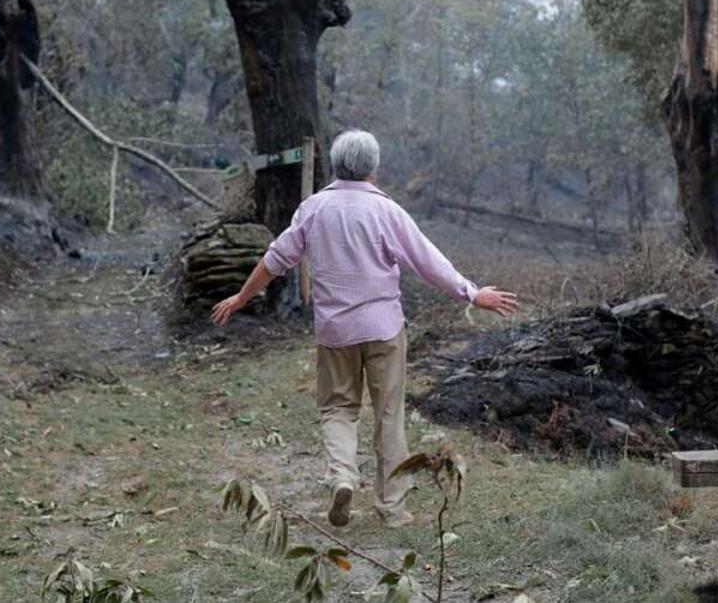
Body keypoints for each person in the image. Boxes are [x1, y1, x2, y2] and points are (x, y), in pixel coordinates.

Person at [211, 130, 518, 528]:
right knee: (389, 416)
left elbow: (276, 260)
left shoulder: (314, 208)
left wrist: (241, 297)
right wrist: (472, 294)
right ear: (373, 167)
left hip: (334, 331)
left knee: (338, 408)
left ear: (337, 166)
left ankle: (342, 476)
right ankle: (392, 508)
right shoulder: (386, 211)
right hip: (384, 329)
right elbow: (427, 261)